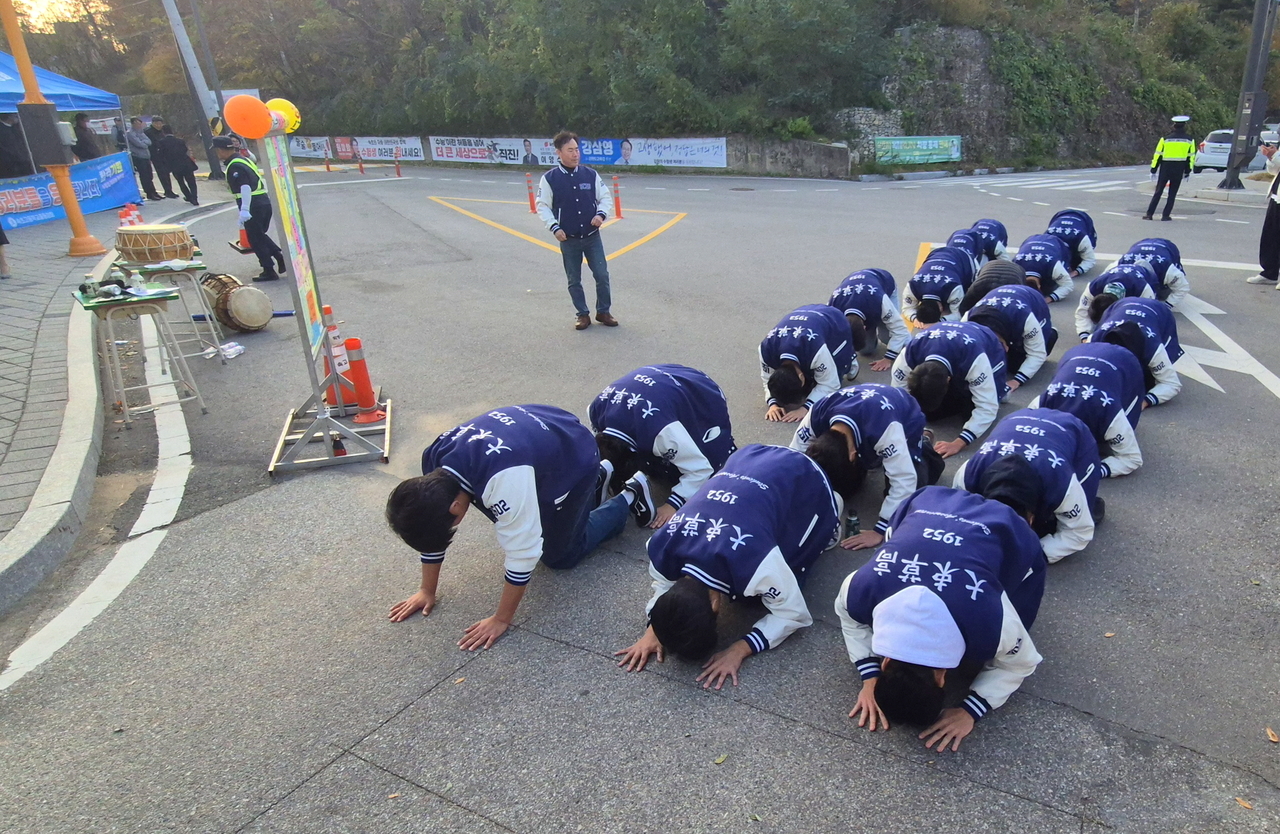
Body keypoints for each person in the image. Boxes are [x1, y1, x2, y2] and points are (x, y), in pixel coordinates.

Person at [387, 405, 641, 650]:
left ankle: (627, 499)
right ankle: (596, 483)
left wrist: (501, 619)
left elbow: (524, 552)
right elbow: (429, 530)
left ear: (454, 507)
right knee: (518, 515)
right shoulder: (435, 460)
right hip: (542, 426)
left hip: (576, 453)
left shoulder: (503, 482)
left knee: (561, 555)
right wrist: (426, 590)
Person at [614, 444, 845, 688]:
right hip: (749, 455)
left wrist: (740, 649)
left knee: (764, 593)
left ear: (716, 605)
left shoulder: (757, 562)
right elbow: (663, 585)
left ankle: (832, 507)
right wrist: (655, 629)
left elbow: (794, 613)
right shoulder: (661, 544)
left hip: (809, 476)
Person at [836, 486, 1045, 751]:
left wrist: (971, 710)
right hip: (926, 500)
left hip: (1011, 528)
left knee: (1018, 620)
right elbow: (848, 615)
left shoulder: (990, 620)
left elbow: (1021, 662)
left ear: (944, 677)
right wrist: (869, 676)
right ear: (886, 661)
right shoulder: (861, 588)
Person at [789, 384, 943, 550]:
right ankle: (875, 456)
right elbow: (795, 458)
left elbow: (904, 480)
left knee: (917, 489)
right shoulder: (817, 414)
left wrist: (880, 530)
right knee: (841, 486)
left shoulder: (885, 429)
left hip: (904, 417)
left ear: (853, 455)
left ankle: (924, 441)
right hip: (863, 416)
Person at [590, 364, 735, 530]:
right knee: (666, 456)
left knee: (710, 462)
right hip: (660, 378)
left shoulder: (662, 433)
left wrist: (673, 505)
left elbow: (700, 469)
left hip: (703, 393)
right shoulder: (596, 409)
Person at [953, 409, 1103, 563]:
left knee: (1062, 522)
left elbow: (1079, 533)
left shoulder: (1062, 485)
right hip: (1015, 418)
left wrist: (1033, 555)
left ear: (1031, 518)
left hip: (1073, 433)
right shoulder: (968, 476)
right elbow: (958, 518)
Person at [890, 321, 1008, 458]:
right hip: (948, 343)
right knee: (928, 413)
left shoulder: (974, 358)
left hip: (988, 349)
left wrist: (959, 442)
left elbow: (987, 407)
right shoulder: (909, 354)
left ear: (948, 381)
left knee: (971, 412)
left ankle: (1001, 390)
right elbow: (898, 396)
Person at [1029, 342, 1147, 479]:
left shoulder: (1110, 415)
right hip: (1076, 353)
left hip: (1126, 363)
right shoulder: (1039, 406)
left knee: (1115, 438)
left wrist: (1094, 471)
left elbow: (1132, 459)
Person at [535, 131, 616, 330]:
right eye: (570, 150)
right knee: (574, 279)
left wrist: (601, 215)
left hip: (591, 236)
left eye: (577, 149)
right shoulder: (550, 179)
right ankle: (582, 315)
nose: (575, 154)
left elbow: (605, 198)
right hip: (568, 239)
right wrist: (554, 227)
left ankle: (603, 311)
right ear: (559, 153)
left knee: (602, 275)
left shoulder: (590, 174)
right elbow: (542, 205)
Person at [760, 303, 855, 422]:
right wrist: (773, 404)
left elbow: (831, 383)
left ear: (801, 376)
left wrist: (806, 408)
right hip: (803, 316)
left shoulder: (815, 350)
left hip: (835, 321)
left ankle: (852, 359)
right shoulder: (766, 350)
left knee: (838, 371)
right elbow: (766, 378)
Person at [211, 135, 285, 282]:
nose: (217, 154)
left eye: (217, 150)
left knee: (255, 239)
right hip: (262, 202)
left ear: (221, 150)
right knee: (259, 234)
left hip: (253, 204)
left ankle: (268, 270)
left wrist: (244, 210)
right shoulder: (243, 159)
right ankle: (278, 256)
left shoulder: (235, 165)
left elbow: (244, 186)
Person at [962, 283, 1057, 390]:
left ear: (1005, 347)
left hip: (1033, 301)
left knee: (1016, 365)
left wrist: (1017, 380)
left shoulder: (1024, 319)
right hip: (1001, 305)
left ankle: (1050, 334)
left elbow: (1038, 354)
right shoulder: (968, 320)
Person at [1091, 299, 1183, 407]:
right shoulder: (1095, 340)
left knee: (1147, 382)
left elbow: (1172, 384)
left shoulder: (1153, 349)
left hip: (1159, 312)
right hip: (1120, 305)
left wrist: (1145, 402)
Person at [827, 268, 909, 372]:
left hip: (883, 281)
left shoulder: (880, 301)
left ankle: (914, 346)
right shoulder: (833, 309)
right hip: (858, 289)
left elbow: (899, 329)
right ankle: (873, 332)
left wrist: (888, 359)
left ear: (865, 327)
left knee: (888, 338)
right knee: (866, 350)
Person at [1073, 263, 1157, 342]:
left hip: (1147, 276)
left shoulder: (1142, 290)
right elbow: (1082, 312)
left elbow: (1149, 319)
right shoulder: (1093, 288)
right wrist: (1085, 336)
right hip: (1115, 267)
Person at [902, 246, 976, 325]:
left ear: (941, 308)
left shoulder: (953, 288)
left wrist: (940, 321)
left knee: (970, 295)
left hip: (963, 257)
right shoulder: (912, 286)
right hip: (936, 253)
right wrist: (915, 318)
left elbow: (960, 314)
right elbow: (906, 309)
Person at [1145, 115, 1196, 221]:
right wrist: (1187, 171)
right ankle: (1165, 215)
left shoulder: (1165, 139)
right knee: (1172, 194)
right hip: (1179, 169)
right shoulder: (1190, 140)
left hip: (1165, 168)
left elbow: (1157, 155)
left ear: (1174, 126)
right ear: (1184, 126)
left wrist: (1153, 169)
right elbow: (1190, 158)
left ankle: (1149, 214)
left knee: (1158, 192)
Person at [1112, 238, 1189, 305]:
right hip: (1140, 245)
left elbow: (1183, 287)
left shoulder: (1166, 269)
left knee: (1162, 295)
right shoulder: (1122, 264)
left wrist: (1166, 305)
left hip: (1166, 247)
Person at [1250, 140, 1280, 286]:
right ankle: (1270, 272)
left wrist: (1276, 155)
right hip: (1277, 196)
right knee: (1271, 236)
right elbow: (1274, 171)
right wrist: (1271, 157)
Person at [1012, 233, 1073, 302]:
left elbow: (1068, 285)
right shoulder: (1015, 266)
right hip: (1031, 240)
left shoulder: (1053, 266)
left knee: (1051, 287)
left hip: (1057, 243)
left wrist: (1050, 298)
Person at [956, 259, 1027, 316]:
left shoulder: (979, 286)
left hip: (992, 269)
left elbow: (964, 308)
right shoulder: (979, 286)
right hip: (1011, 274)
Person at [1045, 208, 1097, 277]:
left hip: (1083, 219)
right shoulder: (1047, 238)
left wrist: (1076, 272)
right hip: (1059, 216)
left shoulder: (1080, 238)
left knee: (1079, 261)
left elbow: (1090, 260)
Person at [156, 125, 198, 205]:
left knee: (181, 182)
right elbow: (185, 150)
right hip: (186, 163)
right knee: (191, 182)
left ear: (163, 132)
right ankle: (195, 197)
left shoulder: (162, 142)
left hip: (174, 165)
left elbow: (161, 155)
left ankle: (188, 196)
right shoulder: (180, 141)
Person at [125, 117, 162, 201]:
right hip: (138, 156)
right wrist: (144, 143)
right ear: (133, 123)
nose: (139, 125)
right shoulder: (130, 133)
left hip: (146, 156)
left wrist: (144, 142)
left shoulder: (141, 132)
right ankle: (149, 193)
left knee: (149, 175)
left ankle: (153, 192)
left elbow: (149, 141)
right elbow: (140, 144)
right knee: (144, 175)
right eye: (138, 123)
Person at [144, 116, 179, 198]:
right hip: (155, 155)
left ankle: (169, 190)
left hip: (164, 154)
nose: (159, 125)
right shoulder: (148, 132)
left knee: (166, 173)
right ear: (153, 123)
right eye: (157, 124)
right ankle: (167, 190)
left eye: (160, 123)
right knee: (162, 173)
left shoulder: (162, 131)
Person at [0, 113, 33, 179]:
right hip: (10, 165)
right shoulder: (3, 131)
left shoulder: (17, 127)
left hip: (22, 162)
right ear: (10, 117)